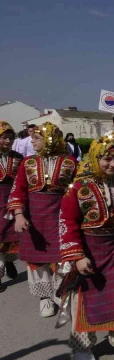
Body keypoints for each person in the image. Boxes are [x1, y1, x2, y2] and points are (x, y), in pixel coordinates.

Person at [58, 136, 114, 360]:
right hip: (90, 251)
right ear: (95, 157)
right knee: (85, 301)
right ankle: (82, 347)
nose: (113, 165)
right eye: (107, 159)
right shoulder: (77, 187)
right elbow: (68, 221)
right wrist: (77, 256)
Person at [8, 122, 77, 317]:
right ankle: (44, 298)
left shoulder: (70, 163)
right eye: (33, 137)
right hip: (34, 215)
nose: (32, 140)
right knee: (37, 259)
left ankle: (59, 292)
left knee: (62, 256)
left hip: (60, 214)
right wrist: (19, 215)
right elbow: (18, 190)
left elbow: (77, 190)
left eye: (37, 138)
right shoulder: (27, 163)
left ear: (50, 140)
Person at [0, 122, 23, 292]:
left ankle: (9, 261)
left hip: (11, 198)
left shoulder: (18, 156)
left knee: (11, 234)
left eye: (10, 137)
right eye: (3, 137)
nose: (7, 141)